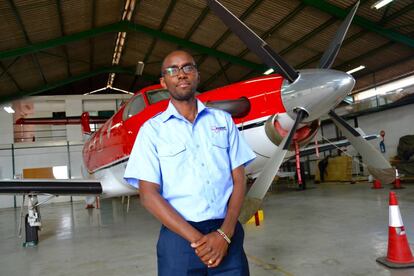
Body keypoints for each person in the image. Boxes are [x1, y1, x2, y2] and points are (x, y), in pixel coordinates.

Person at [124, 50, 256, 275]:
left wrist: (224, 234)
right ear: (163, 82)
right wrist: (201, 243)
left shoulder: (223, 121)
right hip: (179, 239)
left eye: (188, 67)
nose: (181, 74)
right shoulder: (152, 131)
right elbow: (148, 195)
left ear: (197, 75)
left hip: (227, 232)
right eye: (172, 70)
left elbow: (239, 179)